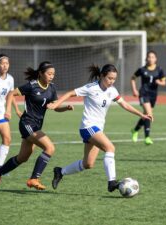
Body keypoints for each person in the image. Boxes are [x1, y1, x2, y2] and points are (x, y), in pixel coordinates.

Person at [48, 64, 152, 193]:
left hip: (97, 129)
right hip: (88, 127)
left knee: (88, 163)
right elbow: (70, 93)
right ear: (102, 76)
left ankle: (60, 171)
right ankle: (111, 182)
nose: (111, 81)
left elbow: (124, 104)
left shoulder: (112, 90)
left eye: (114, 79)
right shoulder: (91, 88)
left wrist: (141, 114)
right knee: (110, 148)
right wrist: (56, 104)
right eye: (109, 78)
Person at [0, 61, 74, 191]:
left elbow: (54, 107)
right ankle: (34, 178)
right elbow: (11, 93)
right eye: (49, 73)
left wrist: (65, 108)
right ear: (41, 73)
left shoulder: (51, 88)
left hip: (36, 125)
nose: (52, 76)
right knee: (50, 147)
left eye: (53, 74)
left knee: (23, 157)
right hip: (27, 123)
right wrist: (8, 110)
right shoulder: (32, 85)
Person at [130, 50, 166, 145]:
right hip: (143, 94)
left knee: (145, 115)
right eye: (149, 57)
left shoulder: (159, 69)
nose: (151, 59)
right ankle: (147, 137)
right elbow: (133, 78)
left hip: (153, 95)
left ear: (156, 59)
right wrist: (134, 90)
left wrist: (160, 82)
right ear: (146, 58)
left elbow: (164, 82)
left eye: (153, 57)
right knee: (149, 114)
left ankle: (135, 130)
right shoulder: (142, 69)